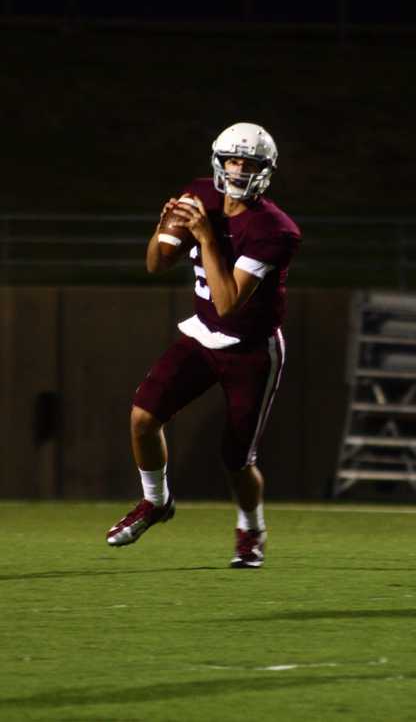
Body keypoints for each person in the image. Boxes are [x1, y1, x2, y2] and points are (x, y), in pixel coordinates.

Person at [105, 122, 301, 568]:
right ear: (218, 160)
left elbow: (229, 302)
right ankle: (156, 502)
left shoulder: (276, 230)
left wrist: (209, 238)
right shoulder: (198, 194)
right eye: (233, 160)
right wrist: (163, 229)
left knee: (236, 458)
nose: (238, 170)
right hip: (201, 336)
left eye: (248, 163)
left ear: (265, 171)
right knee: (142, 417)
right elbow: (156, 264)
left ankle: (251, 530)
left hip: (251, 349)